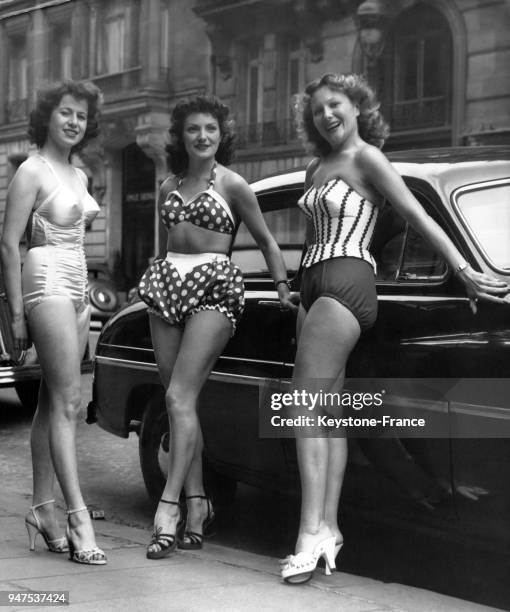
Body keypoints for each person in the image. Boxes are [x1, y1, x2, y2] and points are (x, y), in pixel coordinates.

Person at [280, 73, 509, 584]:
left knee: (303, 409)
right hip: (312, 284)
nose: (327, 115)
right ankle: (330, 528)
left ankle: (307, 534)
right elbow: (313, 234)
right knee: (328, 413)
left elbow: (415, 214)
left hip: (346, 279)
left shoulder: (368, 159)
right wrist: (294, 284)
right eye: (317, 110)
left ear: (357, 106)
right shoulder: (316, 167)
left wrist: (465, 271)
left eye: (335, 104)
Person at [137, 95, 297, 559]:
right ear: (181, 136)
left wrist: (283, 287)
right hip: (167, 282)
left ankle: (169, 508)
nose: (202, 136)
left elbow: (267, 240)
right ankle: (198, 501)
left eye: (210, 129)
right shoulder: (169, 185)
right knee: (179, 402)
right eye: (193, 130)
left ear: (220, 135)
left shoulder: (233, 185)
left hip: (214, 285)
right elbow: (167, 241)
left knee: (176, 397)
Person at [0, 80, 106, 565]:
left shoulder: (79, 175)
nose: (73, 122)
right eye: (66, 113)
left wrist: (86, 292)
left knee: (49, 398)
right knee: (68, 400)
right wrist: (17, 316)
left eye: (81, 117)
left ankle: (43, 508)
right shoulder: (31, 170)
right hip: (44, 279)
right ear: (47, 116)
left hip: (77, 284)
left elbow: (78, 240)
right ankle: (77, 517)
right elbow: (8, 244)